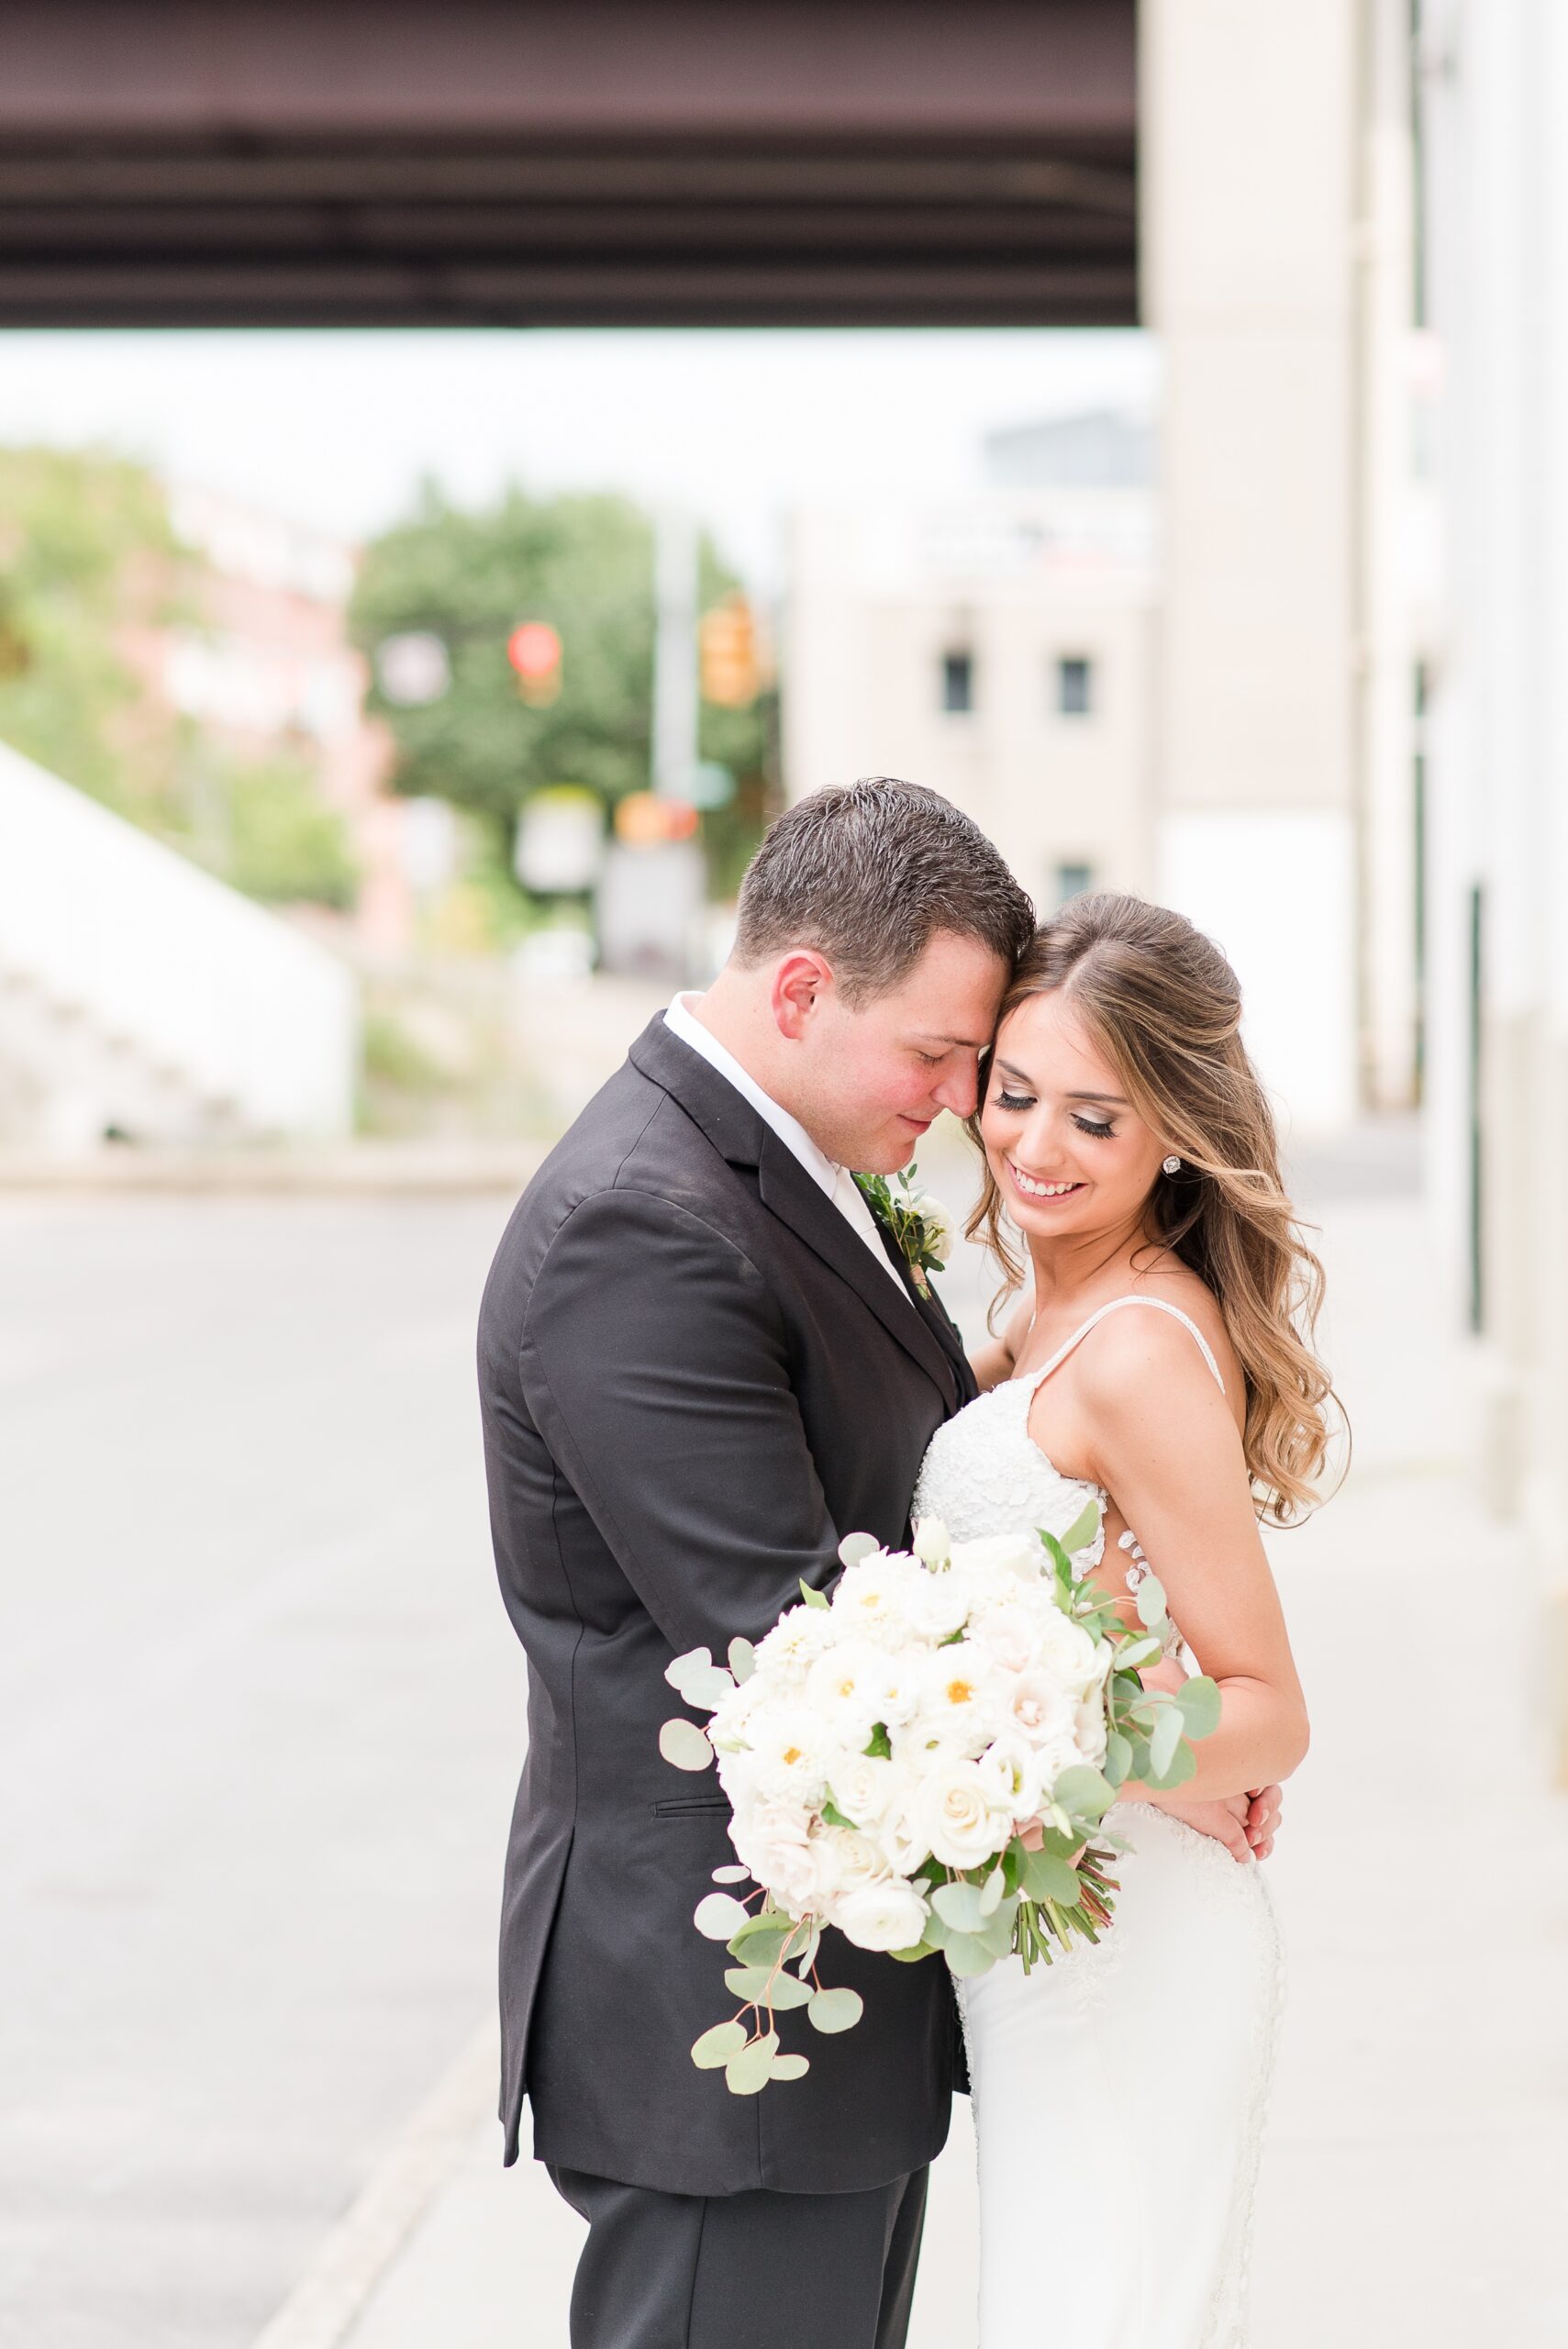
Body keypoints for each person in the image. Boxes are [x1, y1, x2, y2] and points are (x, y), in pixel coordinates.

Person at [477, 778, 1037, 2349]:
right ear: (800, 989)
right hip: (726, 2010)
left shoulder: (788, 1162)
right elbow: (788, 1635)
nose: (951, 1101)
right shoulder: (640, 1224)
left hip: (823, 2004)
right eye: (934, 1053)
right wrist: (1104, 1748)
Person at [912, 893, 1329, 2347]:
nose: (1034, 1146)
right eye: (1014, 1097)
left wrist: (1064, 1763)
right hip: (1047, 1928)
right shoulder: (1045, 1314)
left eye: (1096, 1119)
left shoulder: (1139, 1349)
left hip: (1131, 1929)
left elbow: (1266, 1705)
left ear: (1172, 1134)